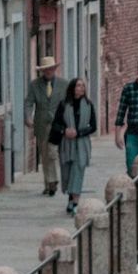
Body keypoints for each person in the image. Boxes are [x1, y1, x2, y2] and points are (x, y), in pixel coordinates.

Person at [49, 75, 97, 215]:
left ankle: (75, 202)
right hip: (66, 144)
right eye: (78, 85)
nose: (81, 88)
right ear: (72, 88)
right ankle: (71, 199)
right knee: (68, 173)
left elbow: (93, 126)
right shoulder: (64, 105)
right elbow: (56, 124)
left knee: (78, 170)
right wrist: (65, 131)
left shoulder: (89, 105)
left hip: (82, 144)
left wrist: (79, 133)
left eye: (83, 86)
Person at [26, 55, 63, 195]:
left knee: (52, 153)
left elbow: (68, 104)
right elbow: (29, 102)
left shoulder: (63, 84)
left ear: (54, 69)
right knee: (44, 154)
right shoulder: (34, 85)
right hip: (41, 124)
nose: (48, 72)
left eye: (51, 69)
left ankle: (52, 182)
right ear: (42, 71)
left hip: (57, 124)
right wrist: (28, 117)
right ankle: (48, 184)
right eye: (46, 70)